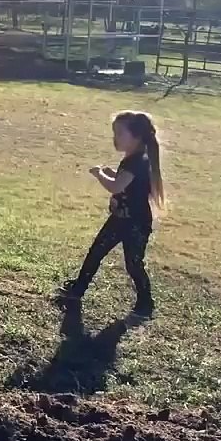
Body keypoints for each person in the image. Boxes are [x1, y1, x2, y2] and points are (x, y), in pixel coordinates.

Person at [56, 110, 167, 316]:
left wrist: (99, 174)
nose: (114, 138)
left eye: (119, 133)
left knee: (133, 264)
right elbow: (126, 183)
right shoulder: (133, 159)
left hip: (135, 224)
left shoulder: (137, 161)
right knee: (96, 252)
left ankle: (145, 303)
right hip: (120, 220)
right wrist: (110, 173)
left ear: (136, 136)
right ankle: (78, 290)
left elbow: (116, 187)